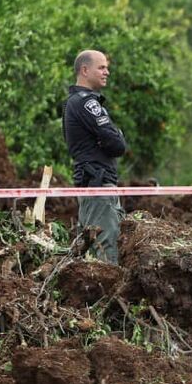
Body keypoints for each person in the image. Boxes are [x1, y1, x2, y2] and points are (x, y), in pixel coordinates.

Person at [62, 49, 127, 264]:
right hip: (97, 185)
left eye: (107, 67)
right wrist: (115, 135)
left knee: (95, 252)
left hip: (95, 183)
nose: (107, 72)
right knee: (107, 252)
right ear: (84, 70)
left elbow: (112, 142)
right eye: (101, 67)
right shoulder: (85, 102)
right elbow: (118, 145)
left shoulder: (78, 102)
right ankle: (107, 297)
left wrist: (110, 138)